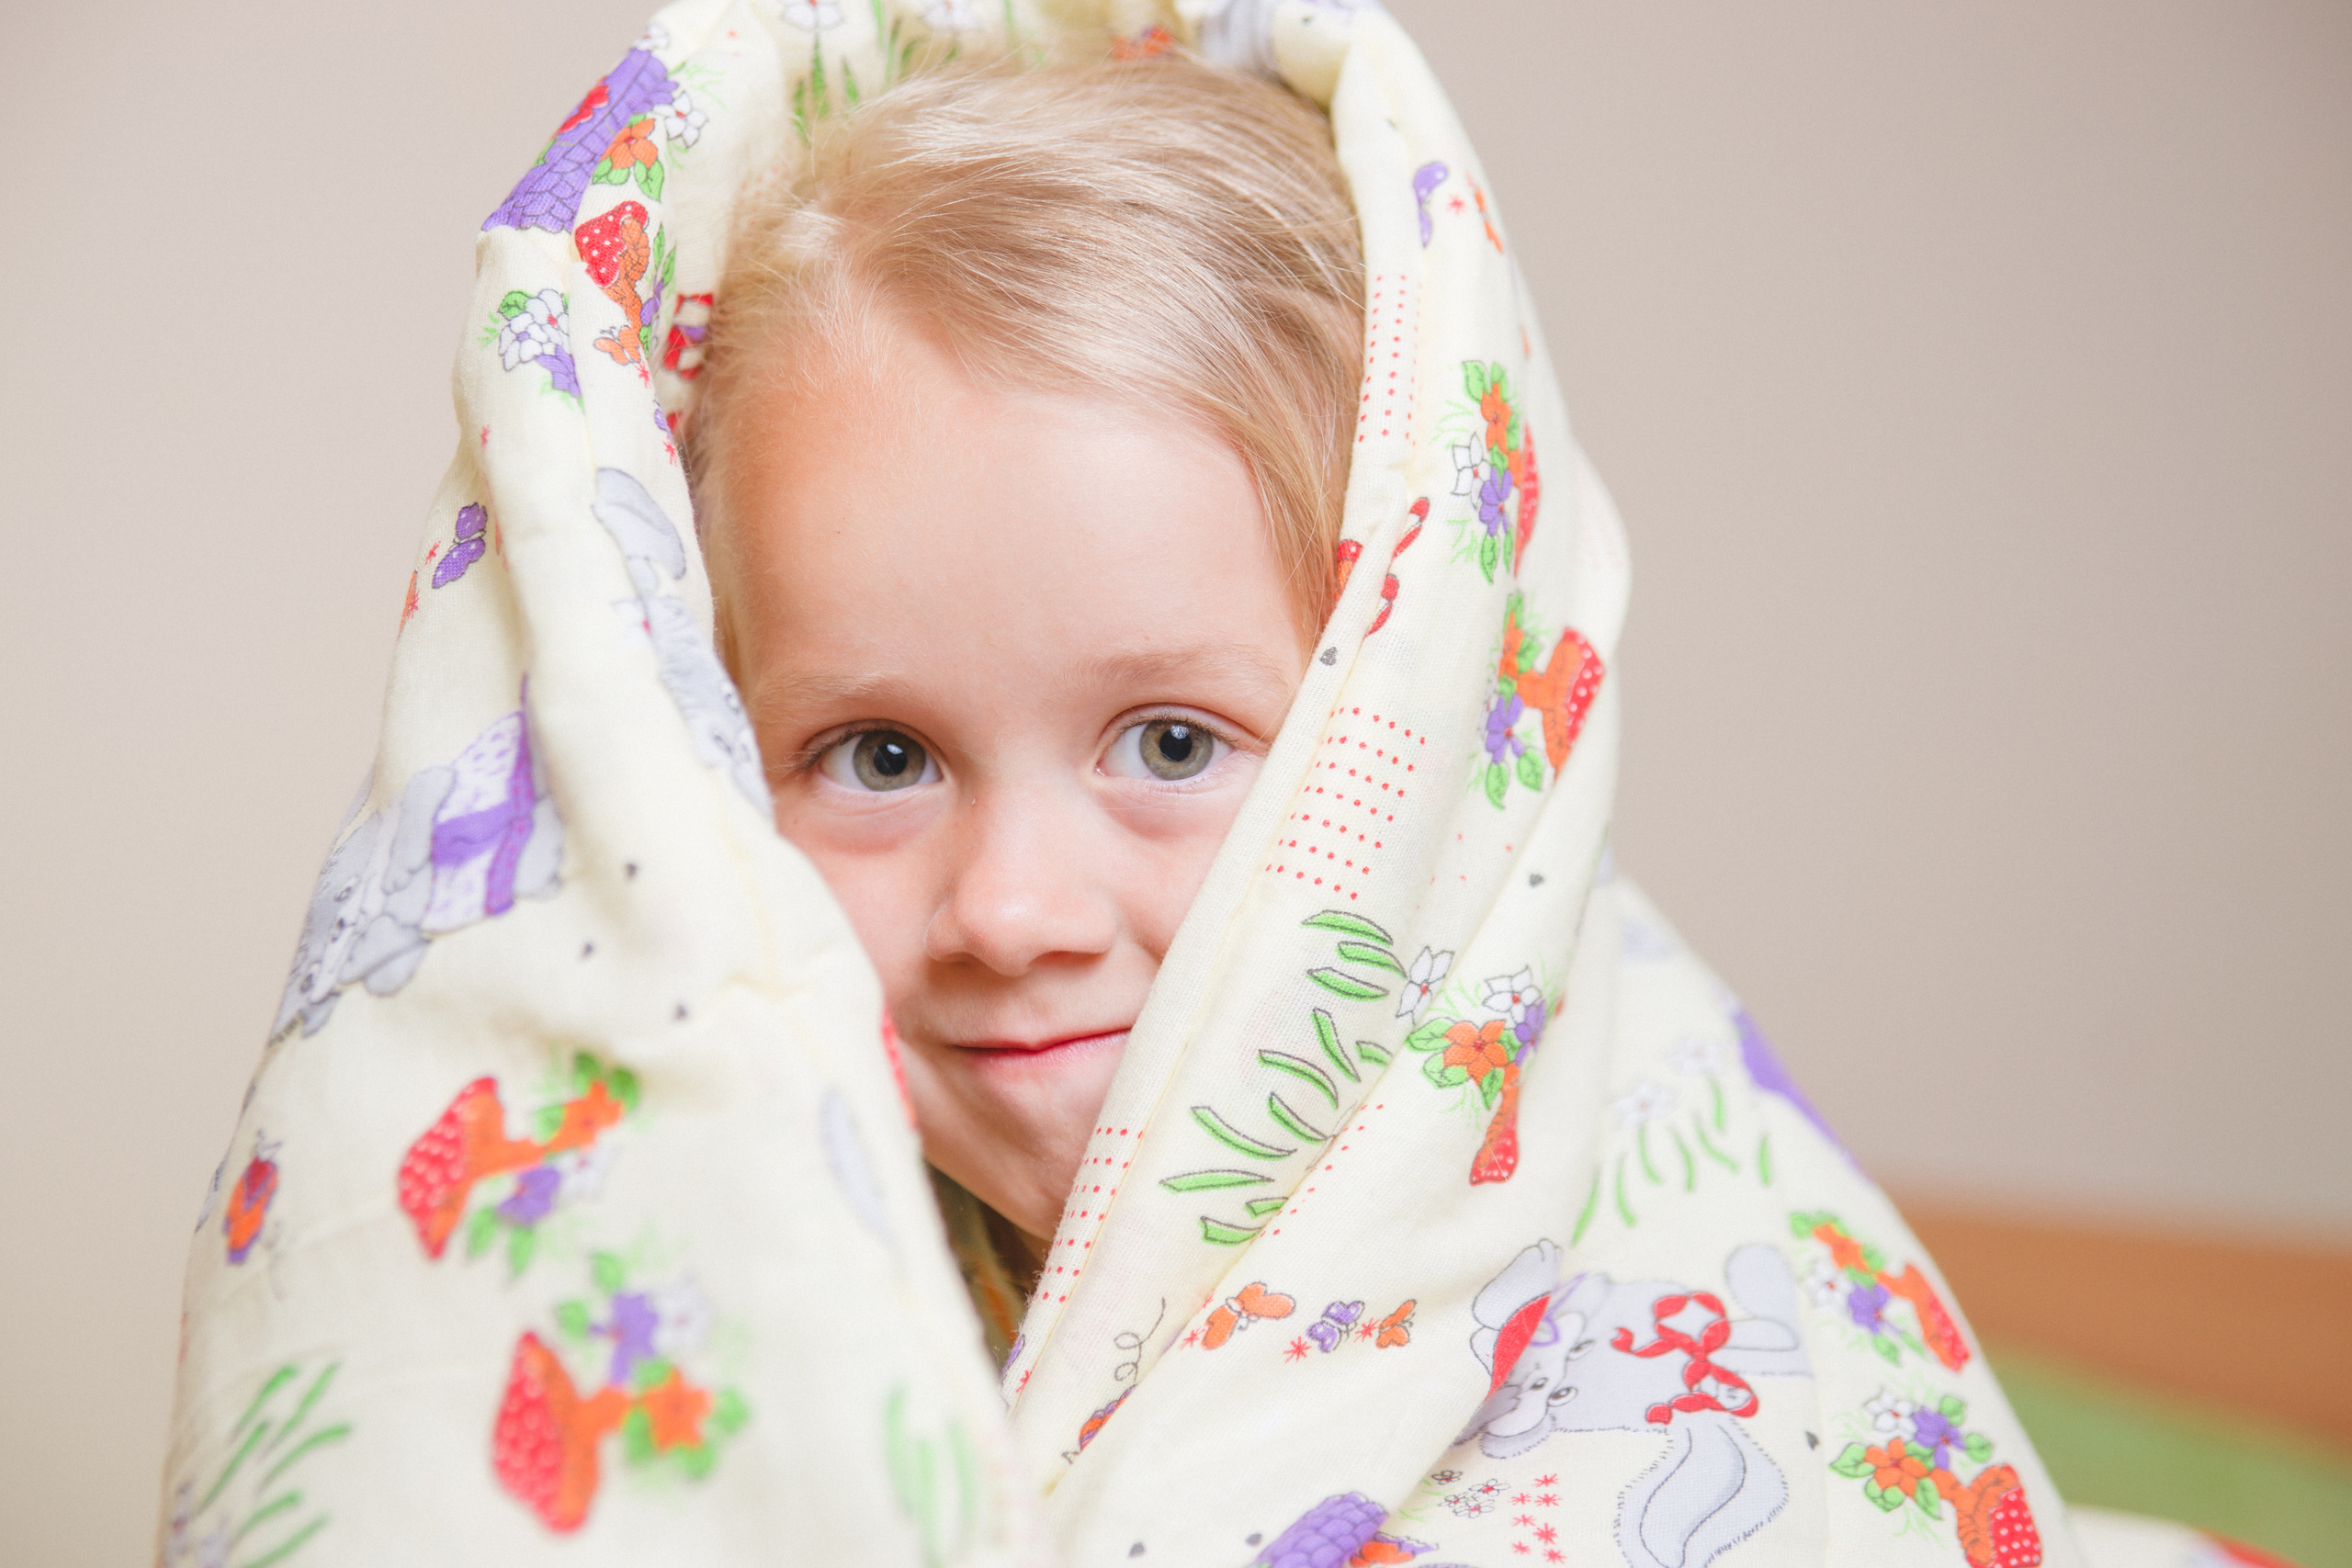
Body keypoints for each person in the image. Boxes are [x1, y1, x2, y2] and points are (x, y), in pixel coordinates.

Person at [161, 7, 2242, 1567]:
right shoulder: (705, 1227)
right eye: (875, 754)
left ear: (1404, 747)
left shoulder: (1696, 1338)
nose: (1011, 906)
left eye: (1169, 743)